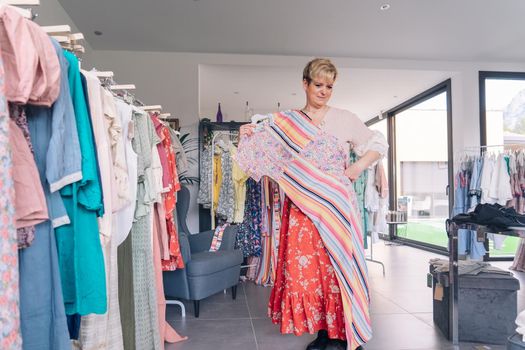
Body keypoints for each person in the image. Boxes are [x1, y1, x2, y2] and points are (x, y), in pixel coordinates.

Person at [236, 58, 388, 350]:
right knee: (310, 272)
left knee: (338, 268)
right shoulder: (288, 122)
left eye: (329, 86)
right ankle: (323, 332)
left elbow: (378, 144)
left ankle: (343, 335)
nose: (323, 91)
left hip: (337, 208)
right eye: (318, 85)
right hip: (302, 210)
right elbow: (262, 147)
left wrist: (356, 169)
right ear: (305, 84)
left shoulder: (345, 118)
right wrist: (247, 135)